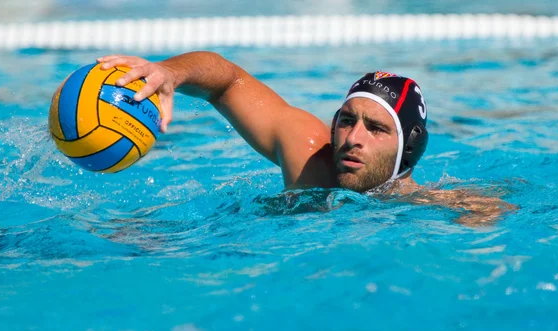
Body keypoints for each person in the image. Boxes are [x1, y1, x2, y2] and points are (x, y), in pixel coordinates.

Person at [97, 52, 514, 225]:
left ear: (409, 147)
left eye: (376, 128)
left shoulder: (438, 207)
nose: (352, 138)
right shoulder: (310, 156)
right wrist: (171, 72)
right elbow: (227, 82)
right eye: (347, 120)